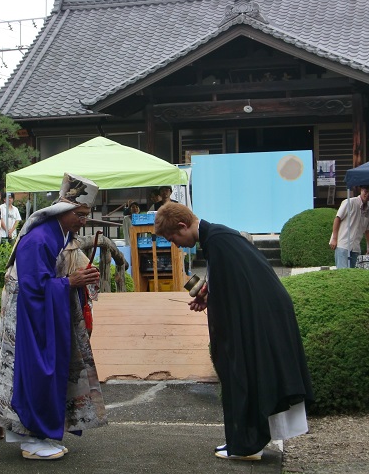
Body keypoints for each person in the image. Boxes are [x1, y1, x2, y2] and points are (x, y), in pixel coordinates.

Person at [154, 203, 313, 461]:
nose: (177, 245)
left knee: (245, 374)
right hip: (263, 313)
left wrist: (211, 297)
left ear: (183, 226)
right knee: (249, 374)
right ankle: (243, 442)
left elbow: (240, 285)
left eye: (174, 238)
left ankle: (248, 445)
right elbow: (238, 283)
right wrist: (210, 296)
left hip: (259, 317)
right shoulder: (218, 237)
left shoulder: (218, 241)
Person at [0, 173, 107, 460]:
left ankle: (44, 434)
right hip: (29, 316)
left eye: (85, 215)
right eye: (79, 214)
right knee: (35, 371)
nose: (83, 220)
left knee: (52, 369)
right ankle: (31, 438)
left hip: (44, 311)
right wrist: (70, 282)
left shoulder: (61, 234)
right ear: (64, 210)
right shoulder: (39, 239)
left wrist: (79, 279)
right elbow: (33, 289)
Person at [329, 186, 369, 268]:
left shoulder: (368, 209)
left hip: (356, 247)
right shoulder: (350, 202)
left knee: (352, 274)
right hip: (343, 244)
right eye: (366, 191)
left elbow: (367, 230)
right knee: (342, 274)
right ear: (361, 190)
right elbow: (337, 218)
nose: (367, 194)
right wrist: (334, 238)